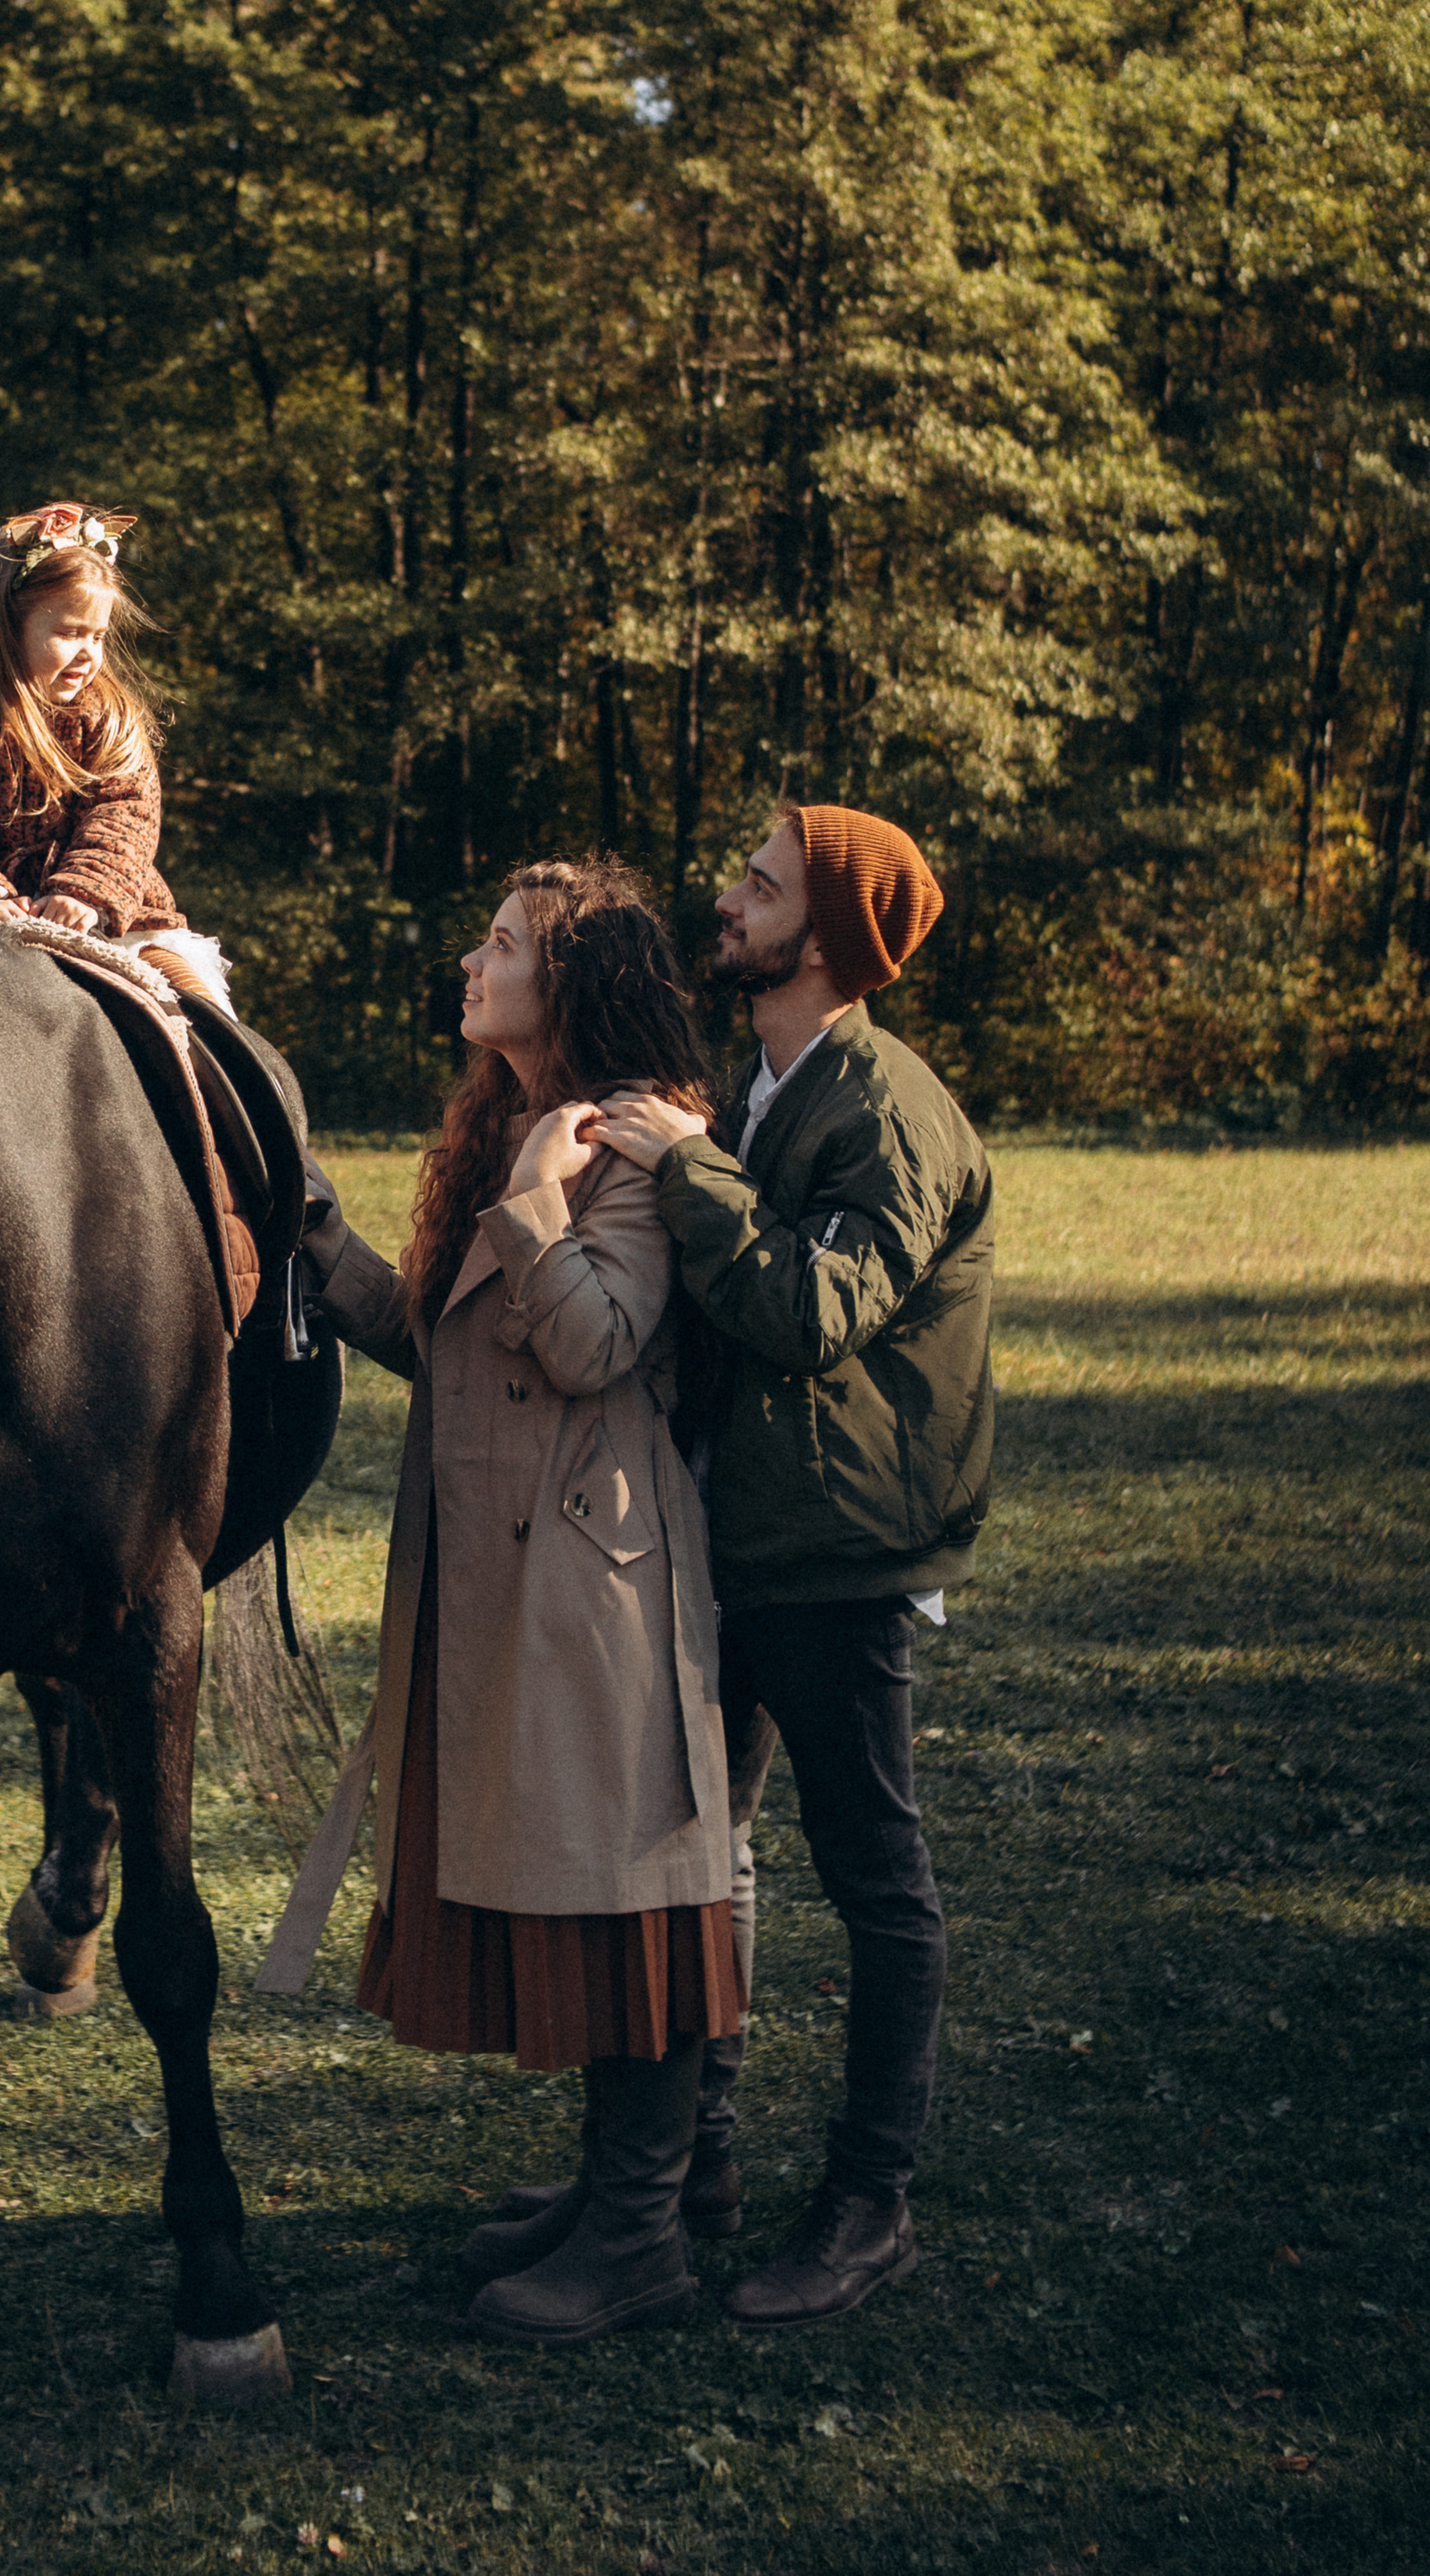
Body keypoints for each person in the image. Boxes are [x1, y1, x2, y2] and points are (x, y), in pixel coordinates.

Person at [271, 861, 744, 2348]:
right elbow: (448, 1344)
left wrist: (540, 1195)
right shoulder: (519, 1129)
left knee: (641, 1897)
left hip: (604, 1584)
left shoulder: (644, 1143)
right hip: (513, 1572)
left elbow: (597, 1341)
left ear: (575, 981)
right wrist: (317, 1239)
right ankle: (619, 2195)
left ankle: (642, 2242)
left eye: (504, 944)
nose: (472, 959)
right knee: (596, 1884)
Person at [591, 801, 994, 2329]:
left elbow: (813, 1313)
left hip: (839, 1552)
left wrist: (691, 1169)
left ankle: (868, 2202)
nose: (728, 896)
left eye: (758, 886)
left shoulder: (885, 1111)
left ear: (820, 937)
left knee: (877, 1878)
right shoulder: (768, 1080)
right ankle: (691, 2170)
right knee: (709, 1857)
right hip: (742, 1533)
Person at [0, 502, 232, 1007]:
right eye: (68, 633)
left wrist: (83, 891)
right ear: (5, 627)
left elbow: (126, 814)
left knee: (207, 1021)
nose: (89, 653)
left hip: (119, 925)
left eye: (99, 636)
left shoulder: (109, 720)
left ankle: (240, 1087)